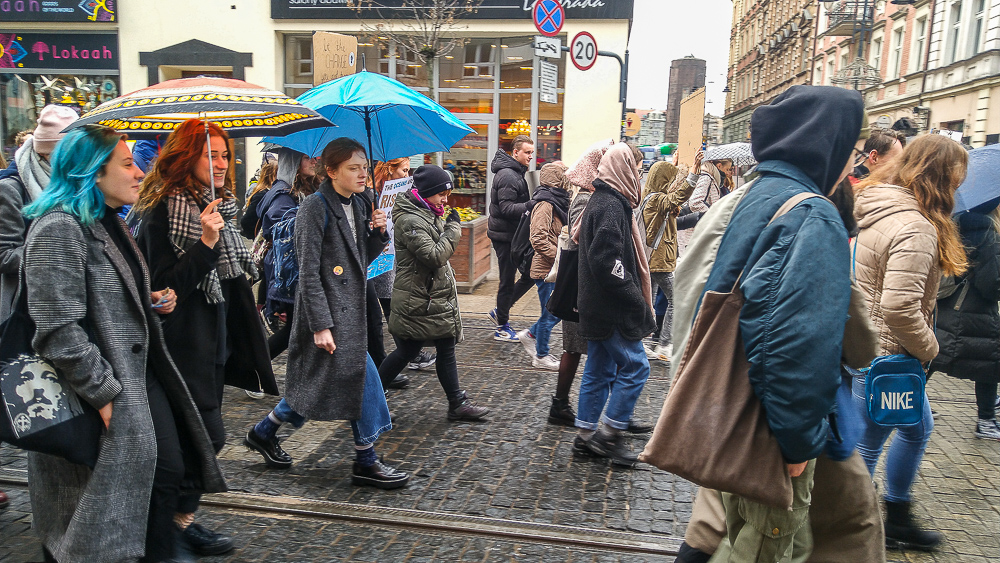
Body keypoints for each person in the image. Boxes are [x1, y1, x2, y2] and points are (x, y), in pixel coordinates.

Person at [672, 85, 863, 561]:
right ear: (828, 142)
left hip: (733, 408)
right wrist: (798, 441)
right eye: (852, 147)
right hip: (769, 427)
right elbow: (795, 341)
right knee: (765, 548)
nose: (854, 162)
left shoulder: (751, 195)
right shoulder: (812, 213)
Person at [22, 124, 225, 563]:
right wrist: (104, 396)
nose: (139, 172)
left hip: (136, 375)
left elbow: (106, 294)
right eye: (128, 164)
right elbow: (57, 327)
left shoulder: (108, 220)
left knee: (165, 470)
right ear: (94, 172)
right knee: (87, 503)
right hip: (99, 388)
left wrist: (148, 301)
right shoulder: (58, 228)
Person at [134, 118, 279, 557]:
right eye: (210, 155)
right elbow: (161, 286)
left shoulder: (218, 206)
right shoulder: (161, 211)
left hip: (215, 336)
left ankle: (180, 522)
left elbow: (234, 272)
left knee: (202, 437)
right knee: (204, 438)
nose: (220, 163)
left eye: (224, 155)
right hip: (179, 342)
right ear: (185, 158)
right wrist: (205, 242)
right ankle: (168, 526)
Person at [244, 137, 410, 489]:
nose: (363, 173)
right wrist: (320, 325)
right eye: (354, 168)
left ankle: (264, 431)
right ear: (331, 171)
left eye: (365, 166)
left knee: (319, 386)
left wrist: (378, 233)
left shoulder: (362, 203)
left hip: (352, 312)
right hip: (327, 316)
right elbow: (308, 272)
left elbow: (359, 260)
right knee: (363, 381)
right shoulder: (314, 209)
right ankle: (365, 461)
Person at [852, 134, 969, 551]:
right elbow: (900, 307)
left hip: (867, 349)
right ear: (941, 176)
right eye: (957, 175)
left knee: (889, 434)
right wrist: (929, 348)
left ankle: (881, 517)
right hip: (889, 357)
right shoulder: (916, 226)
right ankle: (866, 525)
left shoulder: (879, 207)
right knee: (880, 438)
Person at [377, 165, 490, 421]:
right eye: (441, 193)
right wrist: (453, 230)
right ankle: (371, 400)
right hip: (416, 298)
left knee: (445, 346)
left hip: (430, 298)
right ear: (427, 192)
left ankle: (457, 403)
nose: (445, 199)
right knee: (406, 351)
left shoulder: (428, 212)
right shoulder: (410, 220)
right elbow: (434, 256)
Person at [574, 143, 656, 467]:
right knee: (637, 367)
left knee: (599, 369)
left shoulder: (605, 199)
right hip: (611, 309)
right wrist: (634, 297)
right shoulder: (610, 204)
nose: (637, 173)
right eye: (634, 168)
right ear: (622, 170)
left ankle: (584, 439)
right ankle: (609, 435)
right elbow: (607, 260)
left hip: (598, 305)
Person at [548, 140, 614, 426]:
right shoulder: (585, 200)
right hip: (579, 286)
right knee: (575, 348)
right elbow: (580, 241)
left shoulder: (591, 197)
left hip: (583, 285)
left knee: (579, 350)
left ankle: (566, 405)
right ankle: (561, 405)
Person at [0, 105, 78, 321]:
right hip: (27, 305)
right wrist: (57, 252)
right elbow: (4, 255)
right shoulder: (11, 188)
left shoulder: (74, 184)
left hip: (67, 296)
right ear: (44, 153)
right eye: (66, 154)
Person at [932, 203, 1000, 441]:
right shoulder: (989, 232)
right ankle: (986, 421)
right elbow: (991, 283)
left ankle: (913, 399)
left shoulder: (955, 223)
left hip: (947, 302)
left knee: (932, 355)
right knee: (990, 363)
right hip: (975, 308)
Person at [371, 158, 436, 375]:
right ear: (390, 170)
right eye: (404, 170)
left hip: (391, 257)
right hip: (377, 260)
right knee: (389, 309)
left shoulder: (400, 192)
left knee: (392, 308)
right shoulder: (371, 193)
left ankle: (405, 355)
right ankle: (406, 356)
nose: (407, 176)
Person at [255, 148, 320, 360]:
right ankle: (253, 367)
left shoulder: (306, 187)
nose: (313, 161)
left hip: (299, 270)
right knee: (294, 331)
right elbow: (279, 230)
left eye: (314, 156)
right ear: (293, 161)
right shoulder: (284, 193)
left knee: (296, 331)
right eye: (306, 157)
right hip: (292, 273)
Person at [640, 153, 703, 363]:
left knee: (648, 303)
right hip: (659, 262)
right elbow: (677, 197)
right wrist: (693, 174)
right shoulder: (657, 201)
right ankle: (664, 345)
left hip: (656, 260)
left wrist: (672, 165)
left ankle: (643, 344)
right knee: (677, 300)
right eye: (670, 178)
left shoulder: (650, 196)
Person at [517, 162, 571, 371]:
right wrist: (558, 257)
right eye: (565, 177)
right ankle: (541, 355)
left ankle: (530, 335)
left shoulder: (557, 201)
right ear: (558, 180)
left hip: (553, 269)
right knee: (551, 314)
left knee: (553, 312)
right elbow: (537, 238)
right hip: (545, 269)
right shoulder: (545, 204)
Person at [487, 134, 536, 342]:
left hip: (513, 234)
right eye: (527, 152)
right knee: (507, 280)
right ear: (515, 152)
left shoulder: (516, 173)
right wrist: (531, 205)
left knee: (531, 273)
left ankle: (500, 311)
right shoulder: (508, 174)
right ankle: (501, 326)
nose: (530, 156)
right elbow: (507, 208)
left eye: (532, 153)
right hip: (505, 236)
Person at [676, 155, 732, 254]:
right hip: (694, 232)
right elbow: (695, 202)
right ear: (719, 166)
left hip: (699, 232)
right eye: (727, 169)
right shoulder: (706, 178)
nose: (728, 173)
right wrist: (712, 215)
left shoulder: (713, 178)